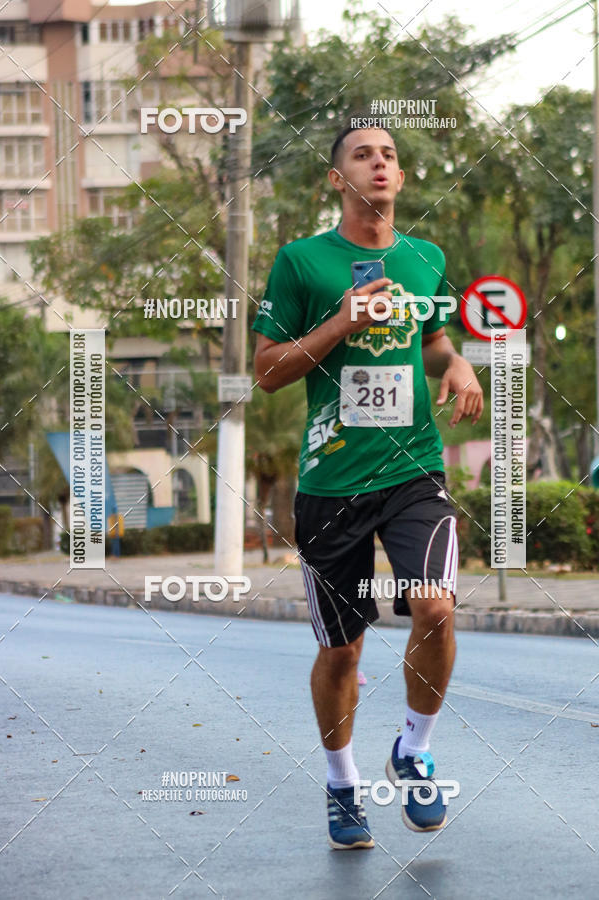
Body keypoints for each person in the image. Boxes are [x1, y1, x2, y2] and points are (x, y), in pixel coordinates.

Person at [252, 122, 483, 849]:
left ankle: (412, 749)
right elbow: (267, 370)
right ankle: (343, 783)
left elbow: (434, 334)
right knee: (343, 651)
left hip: (414, 468)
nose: (378, 163)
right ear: (336, 179)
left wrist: (458, 363)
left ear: (401, 178)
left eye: (388, 155)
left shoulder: (425, 258)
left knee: (436, 608)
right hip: (333, 482)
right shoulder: (301, 262)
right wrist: (340, 322)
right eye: (362, 154)